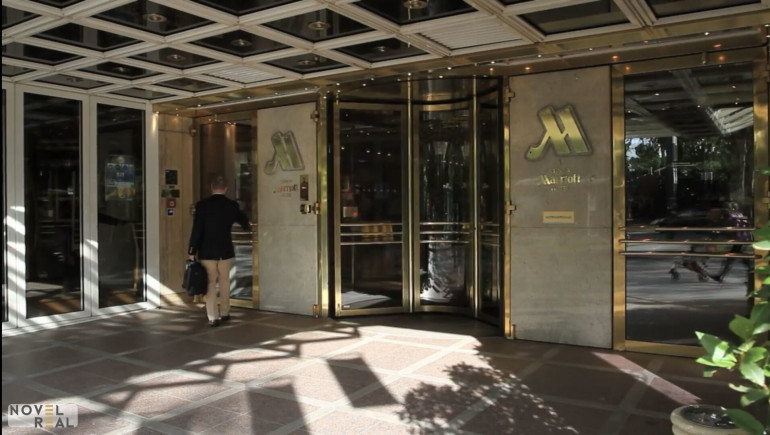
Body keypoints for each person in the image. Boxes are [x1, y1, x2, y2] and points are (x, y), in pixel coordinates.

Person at [188, 174, 251, 327]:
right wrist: (247, 226)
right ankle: (225, 312)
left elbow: (197, 230)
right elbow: (244, 221)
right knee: (224, 281)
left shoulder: (202, 205)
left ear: (212, 187)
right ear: (226, 188)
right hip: (225, 249)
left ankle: (212, 316)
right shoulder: (232, 206)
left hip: (207, 250)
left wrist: (192, 250)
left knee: (210, 282)